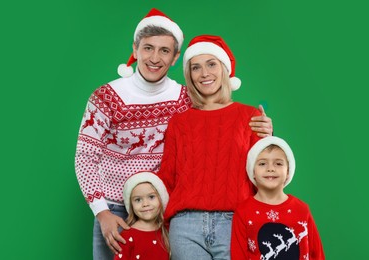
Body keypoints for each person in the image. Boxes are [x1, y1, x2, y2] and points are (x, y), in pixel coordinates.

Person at [74, 8, 273, 259]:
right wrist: (101, 212)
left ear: (175, 57)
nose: (155, 58)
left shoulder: (184, 99)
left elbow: (218, 126)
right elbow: (85, 156)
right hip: (113, 207)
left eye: (164, 50)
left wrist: (264, 132)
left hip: (160, 207)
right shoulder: (106, 97)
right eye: (148, 48)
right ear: (135, 50)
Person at [158, 34, 272, 260]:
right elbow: (167, 177)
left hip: (235, 223)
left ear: (224, 69)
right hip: (185, 226)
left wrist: (270, 140)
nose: (204, 74)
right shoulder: (178, 123)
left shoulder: (250, 116)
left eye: (211, 64)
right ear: (189, 75)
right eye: (196, 67)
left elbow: (264, 174)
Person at [231, 136, 325, 259]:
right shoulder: (243, 212)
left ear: (288, 172)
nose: (270, 168)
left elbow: (317, 253)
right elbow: (238, 256)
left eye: (278, 163)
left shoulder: (302, 209)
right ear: (253, 171)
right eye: (262, 163)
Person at [114, 171, 170, 260]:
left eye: (151, 197)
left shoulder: (166, 231)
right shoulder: (127, 236)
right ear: (131, 205)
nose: (145, 204)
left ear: (161, 198)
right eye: (138, 200)